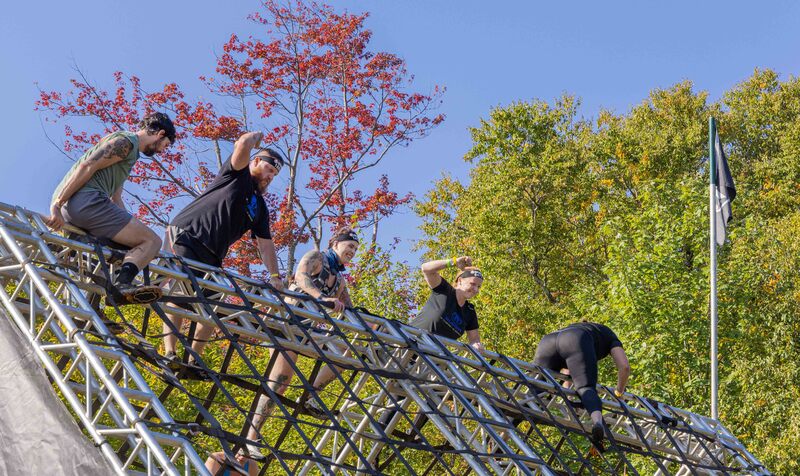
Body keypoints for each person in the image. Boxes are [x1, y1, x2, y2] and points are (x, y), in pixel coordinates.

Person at [162, 131, 285, 363]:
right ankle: (170, 352)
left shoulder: (259, 206)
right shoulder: (236, 175)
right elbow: (242, 145)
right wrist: (256, 137)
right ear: (256, 161)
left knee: (215, 309)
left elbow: (266, 244)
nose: (270, 176)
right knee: (179, 293)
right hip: (188, 235)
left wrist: (275, 275)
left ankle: (192, 360)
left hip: (213, 255)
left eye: (275, 174)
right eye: (269, 169)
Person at [241, 228, 360, 460]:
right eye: (350, 246)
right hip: (290, 322)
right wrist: (321, 297)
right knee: (280, 381)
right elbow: (301, 277)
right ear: (335, 243)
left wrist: (368, 324)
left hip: (312, 330)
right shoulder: (317, 257)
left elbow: (350, 308)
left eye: (355, 249)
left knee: (348, 354)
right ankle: (251, 436)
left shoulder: (340, 279)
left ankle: (310, 393)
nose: (352, 252)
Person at [46, 112, 175, 304]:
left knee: (118, 249)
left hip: (80, 208)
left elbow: (116, 199)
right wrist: (57, 203)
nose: (161, 151)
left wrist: (135, 231)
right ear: (160, 133)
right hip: (86, 202)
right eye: (165, 145)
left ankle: (92, 305)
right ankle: (121, 287)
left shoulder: (127, 155)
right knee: (152, 241)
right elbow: (87, 166)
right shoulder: (126, 142)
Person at [532, 321, 630, 445]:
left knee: (533, 392)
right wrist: (619, 392)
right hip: (576, 339)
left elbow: (570, 372)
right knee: (585, 388)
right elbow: (624, 366)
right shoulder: (608, 334)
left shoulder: (572, 327)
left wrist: (569, 398)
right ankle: (598, 423)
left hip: (547, 341)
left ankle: (501, 442)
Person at [410, 256, 485, 351]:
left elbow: (474, 340)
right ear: (460, 281)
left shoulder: (469, 312)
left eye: (479, 286)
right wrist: (453, 262)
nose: (476, 290)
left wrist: (477, 345)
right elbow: (426, 269)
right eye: (473, 284)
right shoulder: (445, 291)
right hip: (406, 345)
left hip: (430, 358)